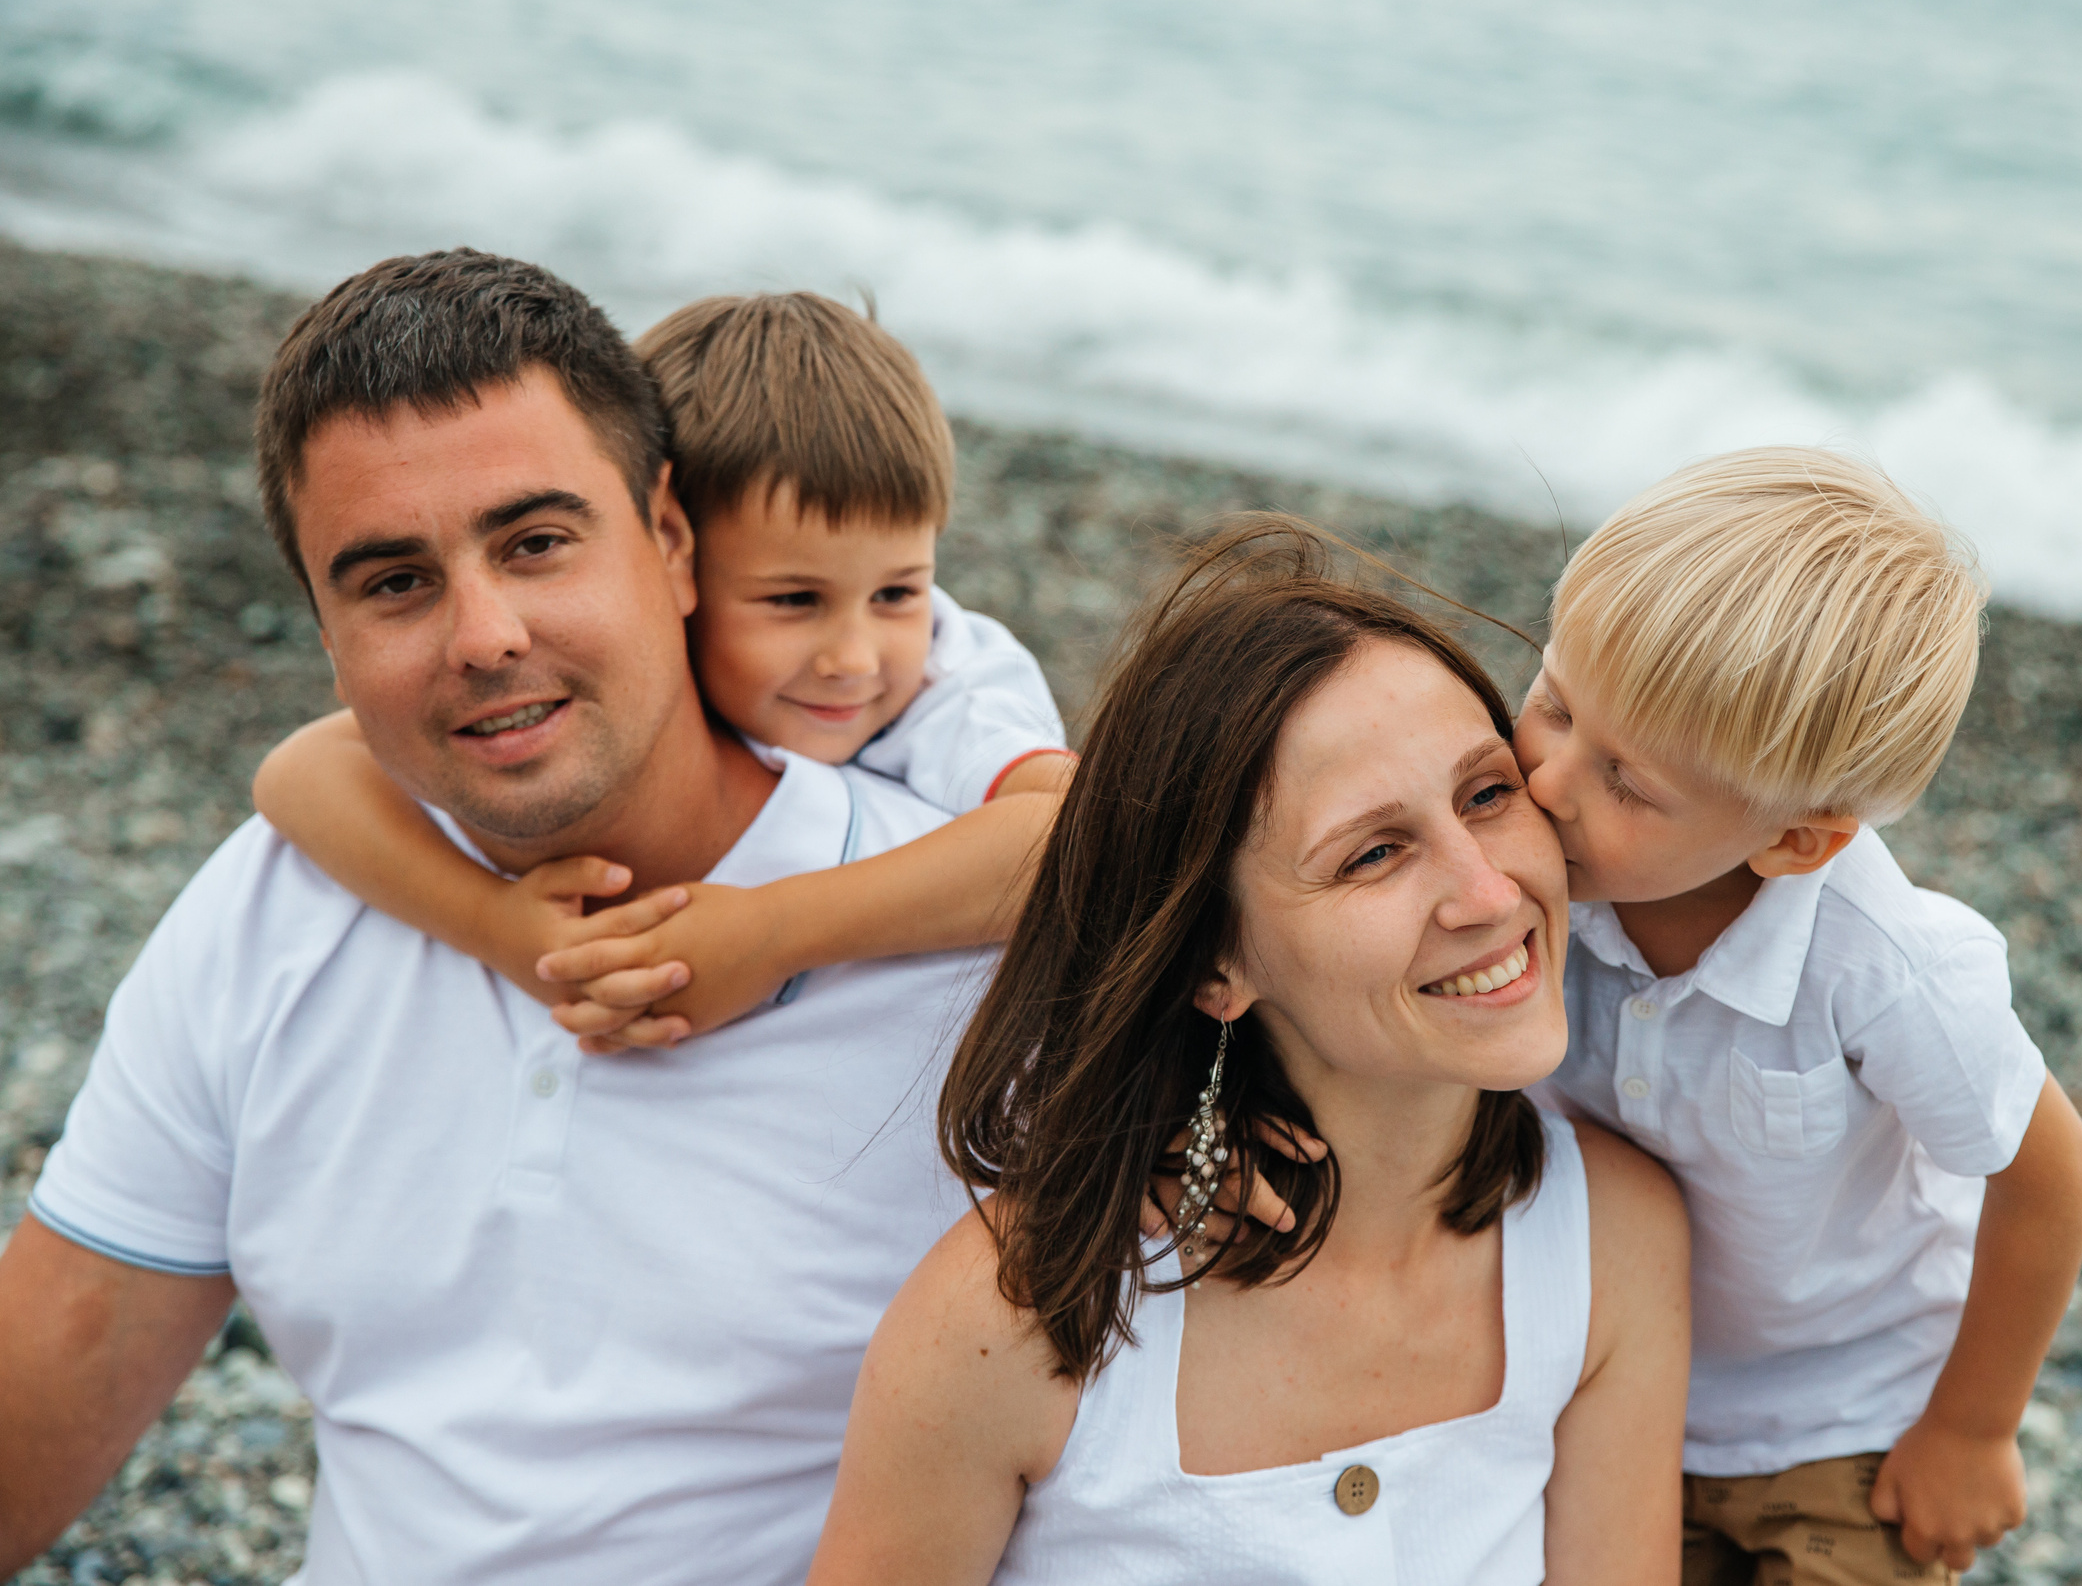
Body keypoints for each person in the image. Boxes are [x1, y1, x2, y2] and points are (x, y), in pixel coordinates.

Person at [0, 251, 1013, 1583]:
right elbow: (53, 1369)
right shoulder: (277, 902)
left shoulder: (965, 942)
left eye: (536, 543)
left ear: (669, 539)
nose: (483, 634)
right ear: (327, 631)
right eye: (394, 583)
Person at [808, 520, 1694, 1585]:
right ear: (1215, 966)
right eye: (1374, 853)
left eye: (1487, 795)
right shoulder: (1015, 1314)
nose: (1491, 893)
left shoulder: (1614, 1241)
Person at [1517, 449, 2082, 1584]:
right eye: (1549, 703)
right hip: (1607, 1390)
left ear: (1795, 841)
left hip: (1847, 1414)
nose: (1546, 781)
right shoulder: (1540, 884)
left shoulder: (1882, 966)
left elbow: (2047, 1177)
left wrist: (1972, 1428)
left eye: (1626, 782)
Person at [248, 289, 1072, 1052]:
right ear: (671, 559)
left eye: (899, 591)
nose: (853, 657)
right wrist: (493, 924)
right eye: (791, 601)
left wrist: (774, 930)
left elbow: (1076, 836)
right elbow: (296, 773)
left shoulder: (947, 673)